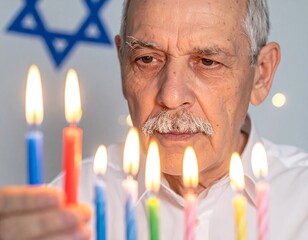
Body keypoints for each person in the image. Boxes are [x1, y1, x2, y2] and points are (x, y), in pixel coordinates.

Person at [1, 0, 308, 239]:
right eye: (147, 59)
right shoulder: (69, 203)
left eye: (207, 62)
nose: (171, 96)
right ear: (123, 64)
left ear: (262, 73)